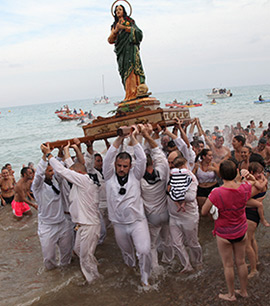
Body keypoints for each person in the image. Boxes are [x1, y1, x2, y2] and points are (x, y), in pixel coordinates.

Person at [201, 160, 263, 301]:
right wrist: (250, 177)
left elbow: (204, 211)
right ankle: (244, 291)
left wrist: (215, 208)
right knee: (241, 262)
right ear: (236, 173)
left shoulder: (216, 192)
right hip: (241, 230)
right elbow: (259, 186)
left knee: (228, 265)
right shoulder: (244, 188)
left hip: (224, 233)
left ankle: (231, 294)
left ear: (221, 175)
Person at [42, 143, 101, 283]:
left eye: (74, 174)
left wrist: (48, 154)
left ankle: (94, 282)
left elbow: (64, 171)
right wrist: (67, 149)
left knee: (85, 259)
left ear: (79, 175)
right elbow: (70, 168)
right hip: (82, 225)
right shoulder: (81, 179)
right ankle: (94, 270)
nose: (72, 176)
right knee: (78, 250)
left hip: (89, 225)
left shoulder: (85, 181)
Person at [103, 125, 151, 286]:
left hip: (137, 221)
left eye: (125, 166)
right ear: (115, 165)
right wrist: (119, 138)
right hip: (119, 224)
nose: (122, 169)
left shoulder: (136, 175)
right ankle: (131, 268)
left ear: (130, 166)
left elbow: (142, 159)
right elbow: (108, 158)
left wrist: (133, 138)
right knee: (127, 253)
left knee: (144, 251)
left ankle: (145, 277)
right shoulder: (109, 176)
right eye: (119, 166)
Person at [32, 146, 74, 270]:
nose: (52, 173)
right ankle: (53, 277)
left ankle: (65, 276)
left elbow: (60, 167)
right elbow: (39, 175)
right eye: (49, 171)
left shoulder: (56, 180)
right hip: (47, 226)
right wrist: (45, 156)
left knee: (66, 256)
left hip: (63, 223)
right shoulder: (37, 187)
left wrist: (60, 152)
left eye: (52, 170)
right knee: (49, 259)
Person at [140, 125, 174, 274]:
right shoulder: (163, 170)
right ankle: (169, 260)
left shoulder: (138, 180)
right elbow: (157, 151)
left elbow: (132, 156)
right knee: (167, 240)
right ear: (153, 164)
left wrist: (137, 137)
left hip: (152, 216)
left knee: (152, 245)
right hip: (165, 212)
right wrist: (148, 135)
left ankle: (156, 269)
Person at [168, 155, 202, 273]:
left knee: (192, 243)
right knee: (176, 243)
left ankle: (198, 262)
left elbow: (191, 197)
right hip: (174, 215)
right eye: (170, 163)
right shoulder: (170, 176)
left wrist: (176, 193)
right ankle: (187, 265)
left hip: (189, 216)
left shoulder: (191, 178)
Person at [108, 4, 146, 101]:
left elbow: (139, 33)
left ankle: (136, 92)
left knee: (132, 69)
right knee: (124, 71)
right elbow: (110, 40)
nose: (118, 11)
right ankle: (129, 93)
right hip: (121, 51)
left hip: (130, 49)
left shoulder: (130, 22)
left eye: (120, 9)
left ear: (123, 11)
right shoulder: (114, 25)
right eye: (116, 10)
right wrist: (116, 30)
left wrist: (125, 28)